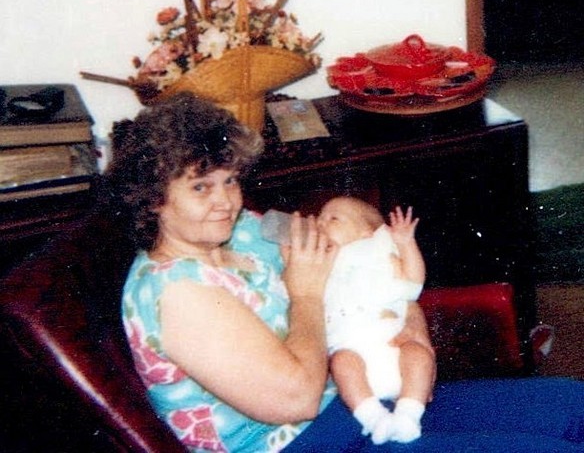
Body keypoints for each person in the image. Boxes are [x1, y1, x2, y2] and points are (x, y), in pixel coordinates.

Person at [105, 92, 584, 453]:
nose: (225, 201)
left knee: (572, 407)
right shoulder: (176, 291)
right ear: (154, 198)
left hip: (366, 397)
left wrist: (408, 320)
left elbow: (360, 253)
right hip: (306, 440)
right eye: (200, 188)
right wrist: (307, 296)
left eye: (229, 180)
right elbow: (295, 401)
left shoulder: (244, 229)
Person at [318, 196, 435, 444]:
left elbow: (412, 283)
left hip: (395, 347)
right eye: (320, 219)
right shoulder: (319, 264)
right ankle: (375, 419)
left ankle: (408, 415)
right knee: (341, 363)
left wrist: (406, 244)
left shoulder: (379, 254)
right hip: (352, 354)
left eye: (333, 219)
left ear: (366, 232)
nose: (320, 224)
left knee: (418, 355)